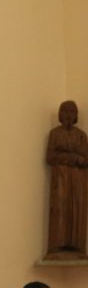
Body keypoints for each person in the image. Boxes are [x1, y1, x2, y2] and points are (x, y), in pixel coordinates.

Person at [45, 100, 88, 257]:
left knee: (77, 208)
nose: (68, 115)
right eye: (65, 111)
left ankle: (76, 246)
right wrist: (69, 157)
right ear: (60, 115)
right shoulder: (55, 134)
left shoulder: (81, 136)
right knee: (60, 207)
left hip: (78, 179)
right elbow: (50, 157)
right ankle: (57, 245)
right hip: (61, 177)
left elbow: (86, 159)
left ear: (76, 115)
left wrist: (76, 157)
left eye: (72, 112)